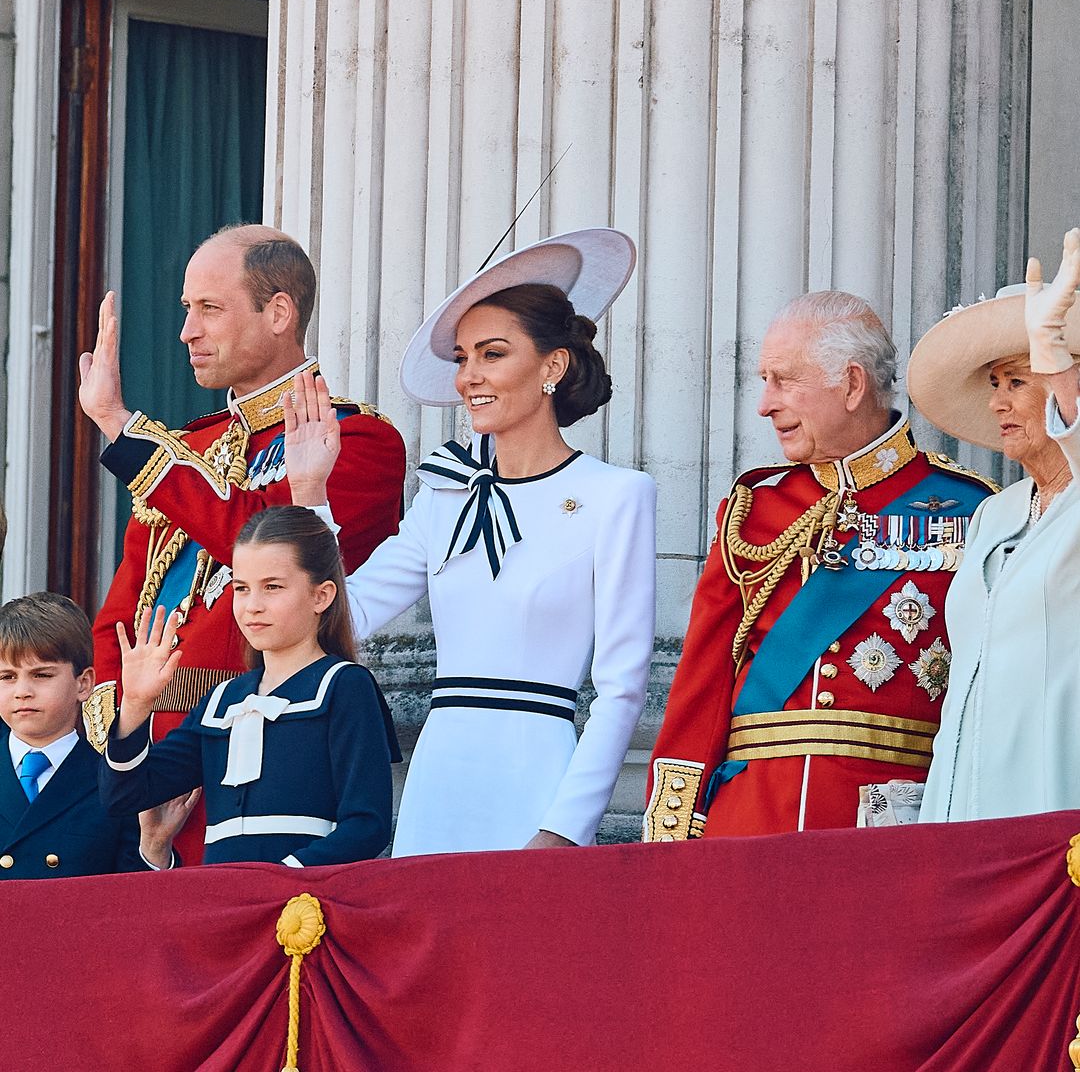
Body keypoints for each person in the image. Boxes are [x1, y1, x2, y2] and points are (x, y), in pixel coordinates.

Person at [286, 228, 656, 856]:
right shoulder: (445, 493)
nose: (468, 377)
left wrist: (566, 826)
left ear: (553, 366)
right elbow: (347, 614)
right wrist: (311, 492)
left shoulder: (617, 495)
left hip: (541, 781)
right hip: (440, 781)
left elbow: (623, 687)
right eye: (462, 358)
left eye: (491, 354)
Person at [78, 223, 405, 863]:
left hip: (271, 749)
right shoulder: (187, 449)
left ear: (278, 311)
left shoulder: (360, 441)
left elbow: (258, 537)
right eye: (185, 310)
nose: (187, 332)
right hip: (149, 760)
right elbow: (123, 612)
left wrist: (120, 426)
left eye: (209, 309)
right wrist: (128, 728)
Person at [644, 291, 996, 840]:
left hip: (893, 826)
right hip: (750, 821)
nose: (764, 403)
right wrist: (671, 837)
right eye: (764, 380)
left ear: (852, 385)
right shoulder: (754, 509)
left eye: (783, 380)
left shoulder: (973, 509)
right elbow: (701, 688)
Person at [100, 506, 400, 865]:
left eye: (272, 587)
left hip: (306, 907)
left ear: (321, 596)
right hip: (225, 903)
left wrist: (284, 878)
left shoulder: (344, 686)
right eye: (241, 589)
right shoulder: (221, 701)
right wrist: (134, 704)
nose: (252, 606)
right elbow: (125, 796)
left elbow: (368, 825)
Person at [909, 229, 1080, 822]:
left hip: (1052, 800)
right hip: (961, 805)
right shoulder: (995, 513)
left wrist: (1058, 363)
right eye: (994, 385)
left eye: (1017, 382)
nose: (997, 403)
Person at [0, 592, 190, 878]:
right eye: (7, 677)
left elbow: (129, 909)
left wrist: (154, 847)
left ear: (84, 683)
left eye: (42, 675)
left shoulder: (113, 785)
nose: (22, 691)